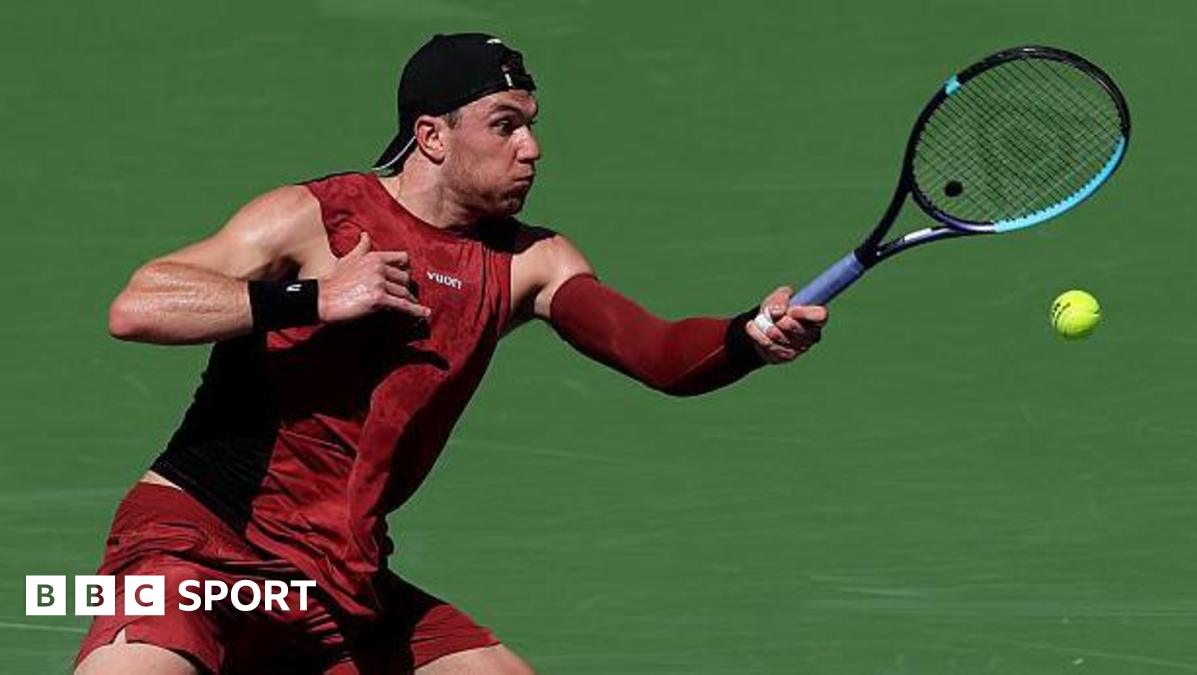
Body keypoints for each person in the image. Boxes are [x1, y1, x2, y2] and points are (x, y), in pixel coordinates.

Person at [74, 33, 827, 675]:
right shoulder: (316, 218)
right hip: (196, 546)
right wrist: (315, 297)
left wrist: (748, 337)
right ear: (432, 135)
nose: (532, 148)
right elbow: (137, 305)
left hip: (343, 578)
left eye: (531, 126)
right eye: (504, 125)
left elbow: (658, 351)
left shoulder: (530, 262)